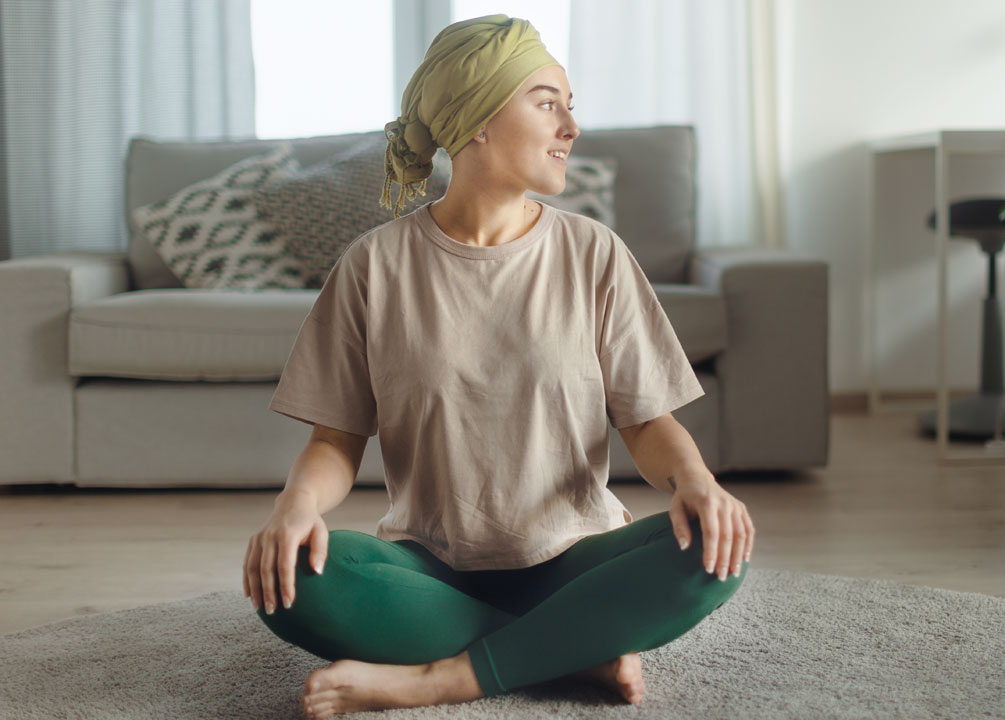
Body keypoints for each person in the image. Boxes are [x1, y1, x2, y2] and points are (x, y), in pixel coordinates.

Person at [241, 14, 756, 720]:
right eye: (548, 103)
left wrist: (698, 483)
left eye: (571, 107)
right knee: (290, 575)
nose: (571, 128)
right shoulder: (374, 266)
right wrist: (292, 508)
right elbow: (333, 441)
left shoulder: (595, 254)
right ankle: (573, 648)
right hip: (433, 569)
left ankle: (442, 678)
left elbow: (647, 421)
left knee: (713, 553)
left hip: (577, 560)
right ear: (477, 119)